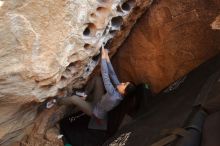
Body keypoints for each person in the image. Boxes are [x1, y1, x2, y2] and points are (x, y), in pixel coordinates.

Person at [59, 46, 136, 130]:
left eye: (124, 84)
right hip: (99, 101)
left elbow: (105, 74)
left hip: (94, 111)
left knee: (74, 99)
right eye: (124, 83)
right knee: (97, 79)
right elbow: (112, 74)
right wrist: (107, 58)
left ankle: (57, 101)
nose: (122, 83)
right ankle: (85, 94)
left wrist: (103, 57)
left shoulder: (113, 96)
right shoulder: (119, 90)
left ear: (124, 92)